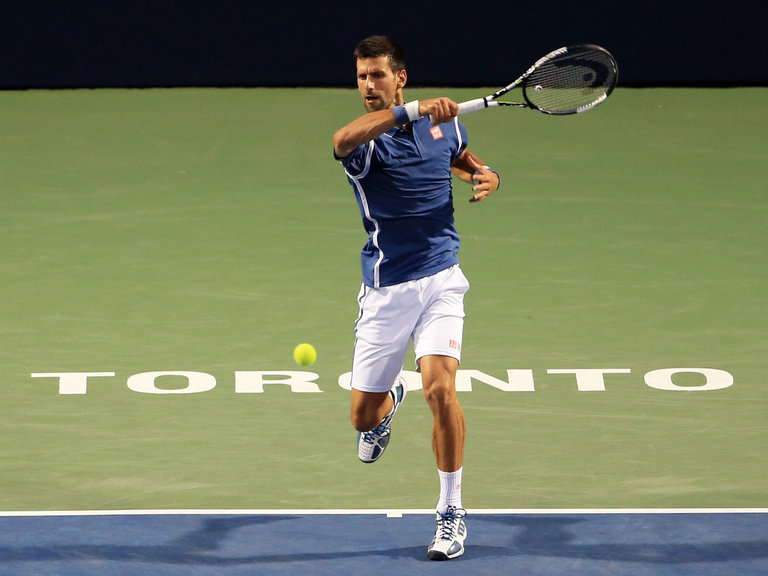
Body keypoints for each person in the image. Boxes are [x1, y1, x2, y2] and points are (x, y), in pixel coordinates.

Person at [332, 35, 499, 561]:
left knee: (440, 391)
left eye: (377, 75)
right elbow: (341, 140)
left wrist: (482, 172)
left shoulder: (443, 122)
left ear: (399, 76)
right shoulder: (368, 142)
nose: (367, 85)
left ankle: (451, 509)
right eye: (361, 76)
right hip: (386, 290)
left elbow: (457, 152)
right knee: (361, 416)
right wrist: (410, 110)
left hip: (442, 279)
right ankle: (385, 407)